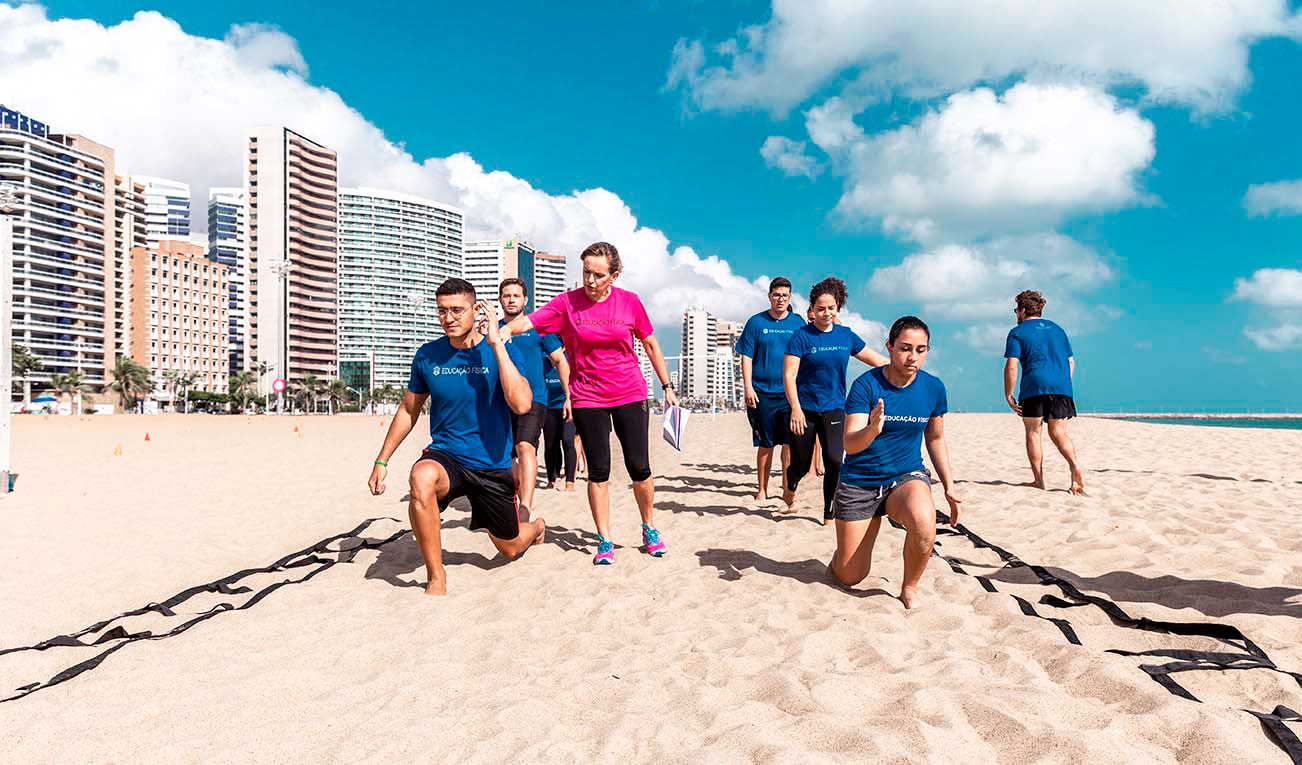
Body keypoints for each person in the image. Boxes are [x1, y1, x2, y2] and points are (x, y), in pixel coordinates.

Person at [503, 241, 679, 565]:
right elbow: (528, 322)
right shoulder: (567, 303)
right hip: (587, 396)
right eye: (586, 273)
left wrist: (666, 386)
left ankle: (649, 527)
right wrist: (503, 332)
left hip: (630, 392)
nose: (590, 281)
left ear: (615, 274)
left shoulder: (630, 303)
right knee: (599, 470)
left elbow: (651, 344)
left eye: (598, 275)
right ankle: (605, 538)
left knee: (639, 467)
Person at [368, 278, 545, 596]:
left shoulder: (503, 350)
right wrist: (382, 459)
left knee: (510, 547)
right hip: (447, 455)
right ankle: (436, 576)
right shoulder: (428, 355)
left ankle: (537, 527)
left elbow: (521, 404)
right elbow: (409, 410)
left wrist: (495, 346)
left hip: (491, 464)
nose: (448, 318)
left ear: (476, 311)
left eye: (456, 310)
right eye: (442, 311)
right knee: (421, 477)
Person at [829, 316, 961, 609]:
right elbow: (849, 443)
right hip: (860, 482)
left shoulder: (933, 388)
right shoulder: (866, 385)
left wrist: (950, 485)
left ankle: (909, 587)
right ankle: (840, 559)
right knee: (852, 575)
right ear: (889, 347)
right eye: (905, 348)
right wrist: (872, 430)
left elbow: (936, 439)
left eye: (921, 349)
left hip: (905, 477)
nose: (912, 357)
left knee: (925, 524)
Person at [783, 277, 888, 524]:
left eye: (831, 308)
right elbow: (789, 375)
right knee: (800, 464)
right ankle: (791, 484)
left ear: (838, 307)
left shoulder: (845, 336)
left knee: (834, 461)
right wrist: (795, 409)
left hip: (834, 408)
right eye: (821, 308)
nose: (826, 313)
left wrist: (902, 365)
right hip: (805, 410)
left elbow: (876, 360)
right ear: (812, 309)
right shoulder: (801, 337)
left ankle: (828, 513)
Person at [1003, 290, 1086, 495]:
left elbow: (1012, 366)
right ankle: (1075, 465)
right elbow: (1070, 362)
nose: (1016, 314)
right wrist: (1063, 384)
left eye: (1016, 310)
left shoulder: (1017, 332)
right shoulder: (1058, 330)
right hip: (1061, 387)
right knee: (1059, 432)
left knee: (1033, 433)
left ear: (1022, 310)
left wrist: (1008, 394)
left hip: (1034, 386)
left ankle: (1038, 480)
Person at [499, 278, 569, 513]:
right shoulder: (494, 330)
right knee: (506, 454)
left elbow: (560, 360)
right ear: (500, 299)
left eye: (515, 295)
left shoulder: (539, 329)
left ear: (525, 300)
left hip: (535, 398)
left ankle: (526, 506)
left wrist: (569, 395)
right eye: (506, 295)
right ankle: (514, 496)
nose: (511, 299)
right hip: (502, 400)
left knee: (525, 446)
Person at [738, 277, 805, 501]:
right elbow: (746, 357)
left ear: (790, 297)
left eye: (785, 295)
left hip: (789, 394)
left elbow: (810, 350)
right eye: (776, 295)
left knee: (788, 444)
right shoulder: (756, 323)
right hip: (761, 392)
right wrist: (748, 386)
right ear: (769, 296)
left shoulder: (797, 323)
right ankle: (762, 490)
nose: (780, 299)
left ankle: (787, 488)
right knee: (766, 444)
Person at [542, 350, 578, 491]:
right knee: (551, 444)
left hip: (567, 404)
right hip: (548, 407)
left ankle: (570, 481)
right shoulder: (542, 361)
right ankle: (552, 478)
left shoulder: (569, 359)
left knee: (568, 440)